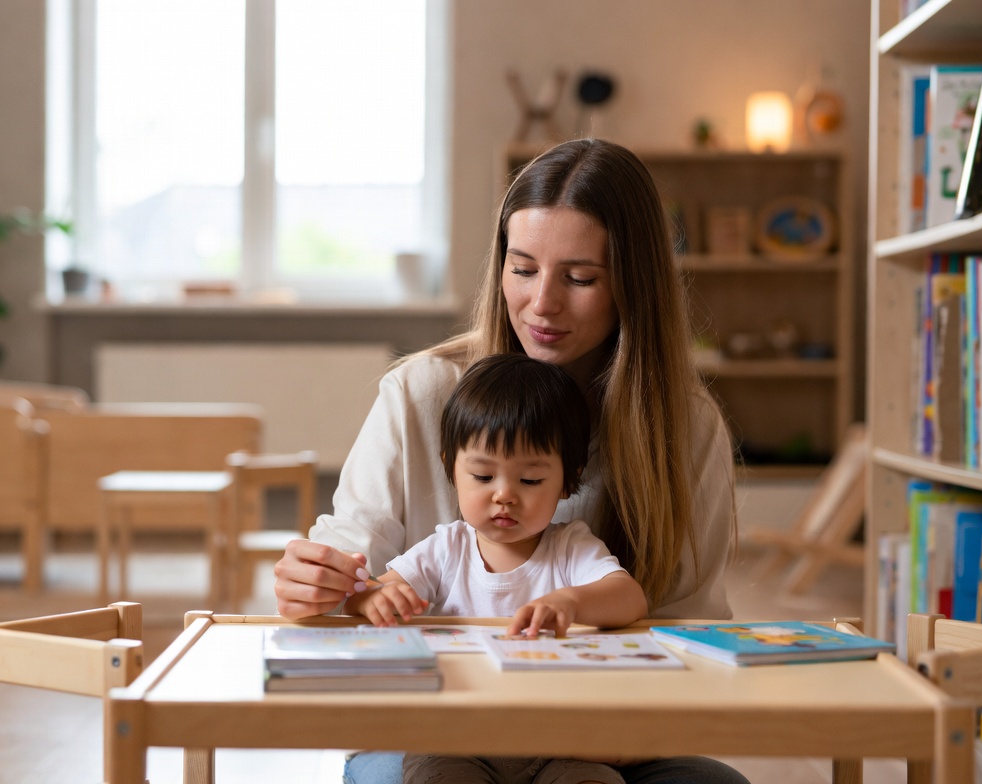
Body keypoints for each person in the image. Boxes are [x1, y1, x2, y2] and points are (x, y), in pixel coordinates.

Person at [274, 138, 746, 784]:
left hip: (606, 741)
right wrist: (319, 586)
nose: (542, 303)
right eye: (522, 269)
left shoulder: (686, 428)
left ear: (632, 287)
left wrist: (593, 741)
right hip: (438, 730)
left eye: (580, 278)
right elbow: (350, 577)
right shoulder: (421, 393)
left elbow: (693, 637)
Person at [348, 352, 646, 784]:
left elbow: (630, 598)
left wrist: (571, 601)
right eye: (484, 477)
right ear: (452, 465)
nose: (504, 495)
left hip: (562, 746)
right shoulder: (446, 549)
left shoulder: (569, 547)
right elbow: (366, 593)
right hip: (454, 741)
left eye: (529, 481)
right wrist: (375, 596)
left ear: (569, 478)